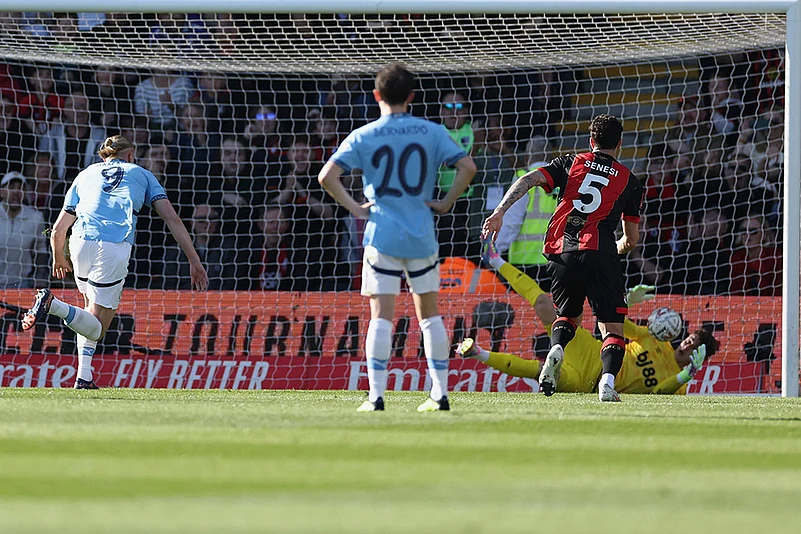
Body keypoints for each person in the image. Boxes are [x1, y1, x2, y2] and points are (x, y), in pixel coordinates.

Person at [318, 63, 477, 412]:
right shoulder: (432, 131)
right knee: (430, 315)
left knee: (380, 316)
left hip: (382, 235)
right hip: (421, 233)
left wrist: (356, 209)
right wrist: (446, 202)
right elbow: (468, 167)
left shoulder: (364, 134)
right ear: (412, 96)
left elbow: (327, 176)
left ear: (376, 95)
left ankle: (375, 397)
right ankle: (439, 393)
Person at [20, 135, 209, 389]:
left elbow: (57, 230)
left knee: (88, 311)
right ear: (130, 154)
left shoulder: (85, 174)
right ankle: (53, 304)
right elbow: (172, 219)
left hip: (79, 243)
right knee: (96, 328)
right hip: (113, 245)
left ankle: (84, 376)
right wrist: (194, 260)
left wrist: (58, 256)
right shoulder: (141, 173)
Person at [482, 114, 644, 402]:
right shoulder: (630, 181)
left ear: (591, 141)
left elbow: (528, 179)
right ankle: (606, 383)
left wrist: (499, 213)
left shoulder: (570, 162)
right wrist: (615, 250)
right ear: (619, 144)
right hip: (601, 252)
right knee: (611, 326)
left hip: (562, 252)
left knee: (568, 316)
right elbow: (631, 239)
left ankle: (556, 349)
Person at [458, 245, 717, 396]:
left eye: (694, 347)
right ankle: (495, 260)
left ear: (700, 357)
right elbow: (615, 322)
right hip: (591, 350)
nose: (686, 346)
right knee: (544, 304)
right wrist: (629, 301)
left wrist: (687, 375)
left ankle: (477, 352)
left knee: (539, 372)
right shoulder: (652, 338)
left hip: (588, 381)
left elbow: (659, 394)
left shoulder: (678, 384)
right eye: (690, 339)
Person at [0, 172, 49, 289]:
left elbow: (41, 248)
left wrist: (40, 275)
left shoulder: (36, 217)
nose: (16, 192)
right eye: (11, 188)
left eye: (21, 188)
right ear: (2, 192)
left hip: (22, 284)